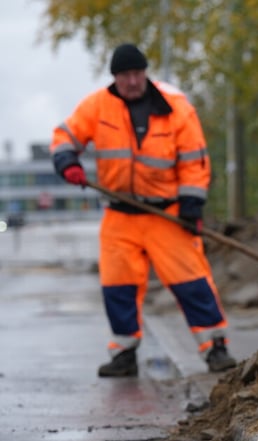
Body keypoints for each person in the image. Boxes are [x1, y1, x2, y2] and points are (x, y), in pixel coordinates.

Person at [51, 43, 237, 377]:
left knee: (191, 281)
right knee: (118, 286)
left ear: (145, 73)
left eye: (137, 74)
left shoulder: (176, 108)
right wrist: (67, 161)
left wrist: (192, 206)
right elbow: (65, 136)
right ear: (115, 78)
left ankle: (215, 347)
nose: (132, 81)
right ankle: (124, 353)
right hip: (120, 215)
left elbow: (194, 161)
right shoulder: (97, 107)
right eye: (125, 75)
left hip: (167, 213)